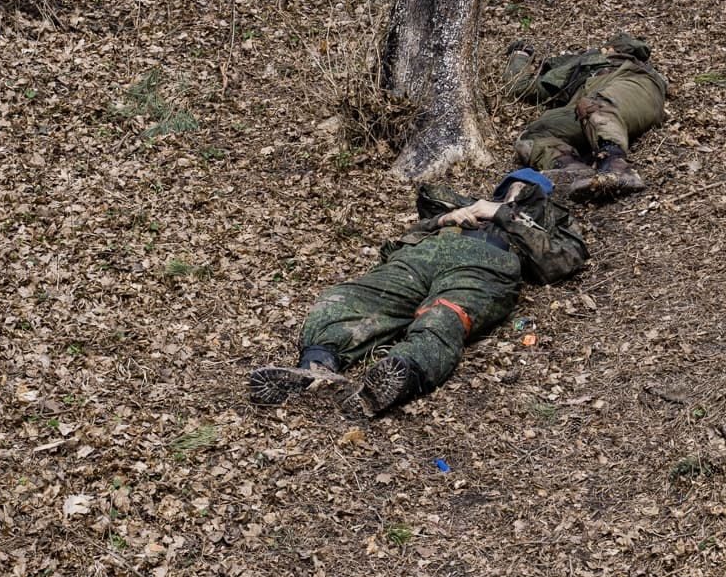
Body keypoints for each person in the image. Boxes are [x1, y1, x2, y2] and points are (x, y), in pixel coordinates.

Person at [247, 169, 588, 416]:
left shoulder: (553, 219)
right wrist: (447, 218)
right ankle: (316, 367)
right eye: (512, 184)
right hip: (421, 257)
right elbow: (401, 238)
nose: (518, 189)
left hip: (485, 268)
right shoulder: (467, 205)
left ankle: (399, 375)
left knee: (444, 317)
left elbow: (563, 260)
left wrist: (502, 214)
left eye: (526, 188)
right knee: (351, 298)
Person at [503, 32, 667, 198]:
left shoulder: (630, 67)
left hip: (635, 89)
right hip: (590, 109)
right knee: (532, 136)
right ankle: (574, 171)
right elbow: (520, 86)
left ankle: (617, 167)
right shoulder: (576, 70)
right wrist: (520, 55)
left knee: (592, 105)